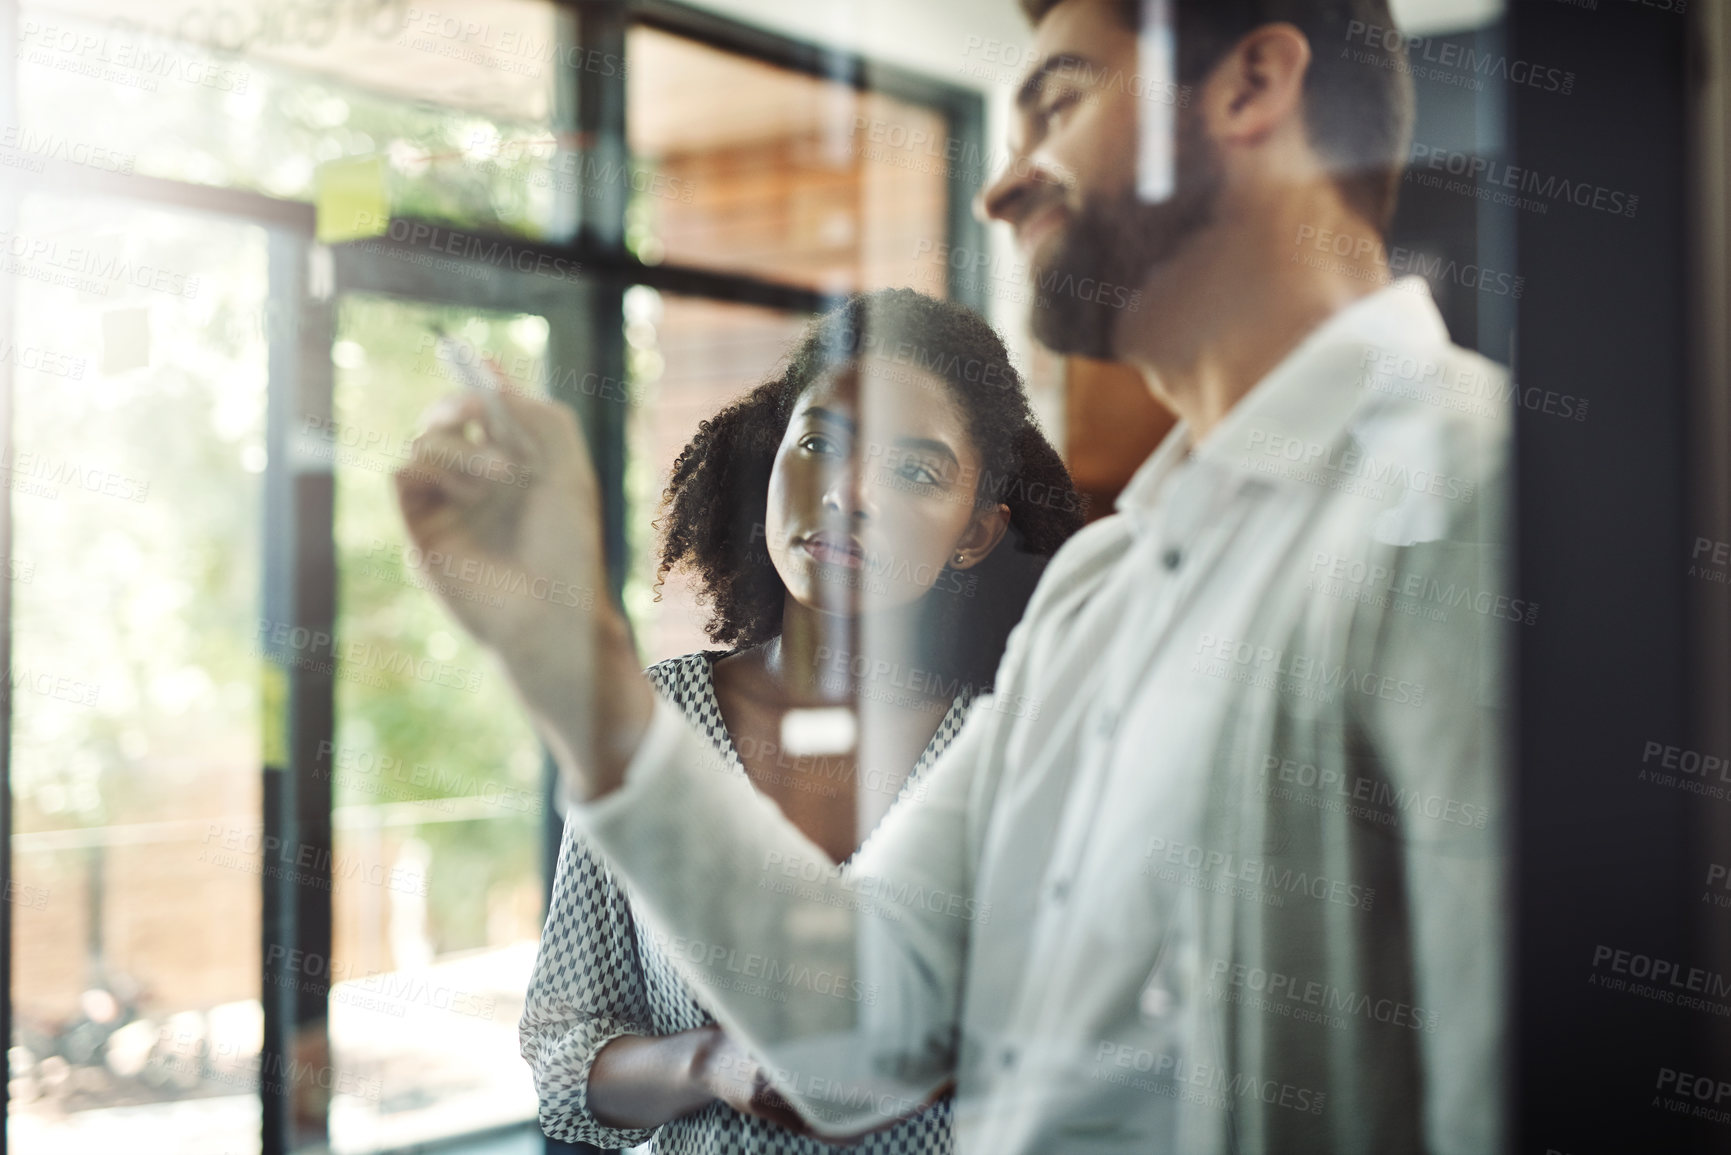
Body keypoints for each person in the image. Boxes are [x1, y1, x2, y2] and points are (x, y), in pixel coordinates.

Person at [395, 1, 1509, 1151]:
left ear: (1251, 86)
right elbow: (858, 1032)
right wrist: (564, 656)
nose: (1003, 185)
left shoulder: (1469, 499)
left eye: (1061, 102)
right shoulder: (1105, 592)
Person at [518, 289, 1084, 1154]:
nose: (846, 494)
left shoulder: (1016, 752)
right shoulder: (655, 721)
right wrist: (711, 1062)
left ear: (975, 532)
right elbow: (564, 1063)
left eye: (914, 470)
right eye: (819, 443)